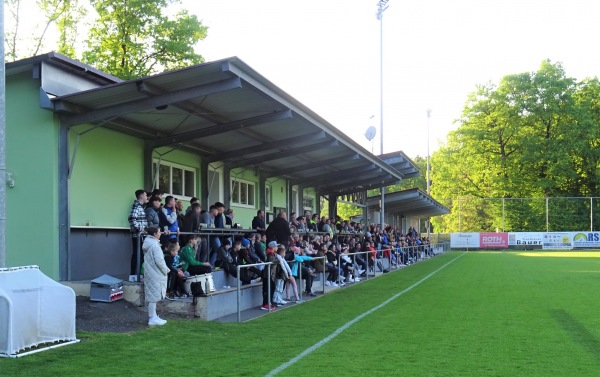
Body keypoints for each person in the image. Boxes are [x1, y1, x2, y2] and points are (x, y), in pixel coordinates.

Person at [142, 226, 169, 326]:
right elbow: (160, 261)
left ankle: (153, 316)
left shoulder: (149, 243)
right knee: (153, 296)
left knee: (152, 295)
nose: (160, 233)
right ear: (154, 234)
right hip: (155, 273)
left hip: (150, 272)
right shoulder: (155, 246)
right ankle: (152, 318)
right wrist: (166, 270)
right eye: (159, 232)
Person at [128, 189, 148, 276]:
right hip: (137, 235)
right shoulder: (137, 206)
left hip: (140, 236)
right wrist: (141, 229)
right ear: (141, 196)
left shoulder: (140, 207)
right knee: (137, 255)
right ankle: (134, 275)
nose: (147, 197)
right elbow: (131, 218)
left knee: (139, 255)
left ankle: (137, 275)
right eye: (146, 195)